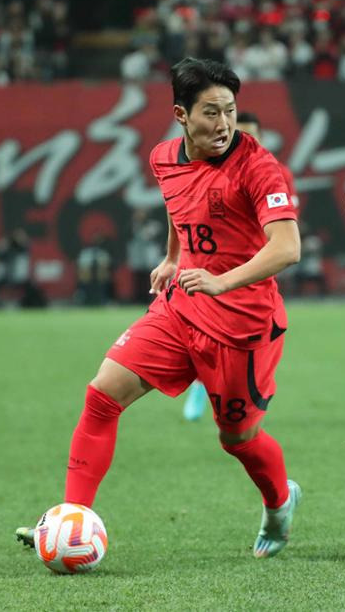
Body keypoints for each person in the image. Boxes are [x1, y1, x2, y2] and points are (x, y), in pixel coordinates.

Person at [16, 58, 302, 559]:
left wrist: (220, 281)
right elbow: (179, 203)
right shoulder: (163, 158)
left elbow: (287, 248)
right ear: (180, 115)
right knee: (102, 395)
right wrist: (174, 257)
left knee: (237, 439)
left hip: (242, 326)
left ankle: (280, 503)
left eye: (230, 111)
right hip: (181, 309)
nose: (224, 124)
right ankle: (71, 521)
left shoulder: (258, 167)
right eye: (210, 112)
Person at [182, 110, 299, 421]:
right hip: (218, 265)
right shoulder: (210, 169)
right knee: (206, 332)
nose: (240, 141)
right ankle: (201, 384)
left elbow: (285, 225)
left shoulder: (275, 172)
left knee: (246, 336)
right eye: (236, 134)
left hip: (256, 267)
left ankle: (239, 395)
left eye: (249, 135)